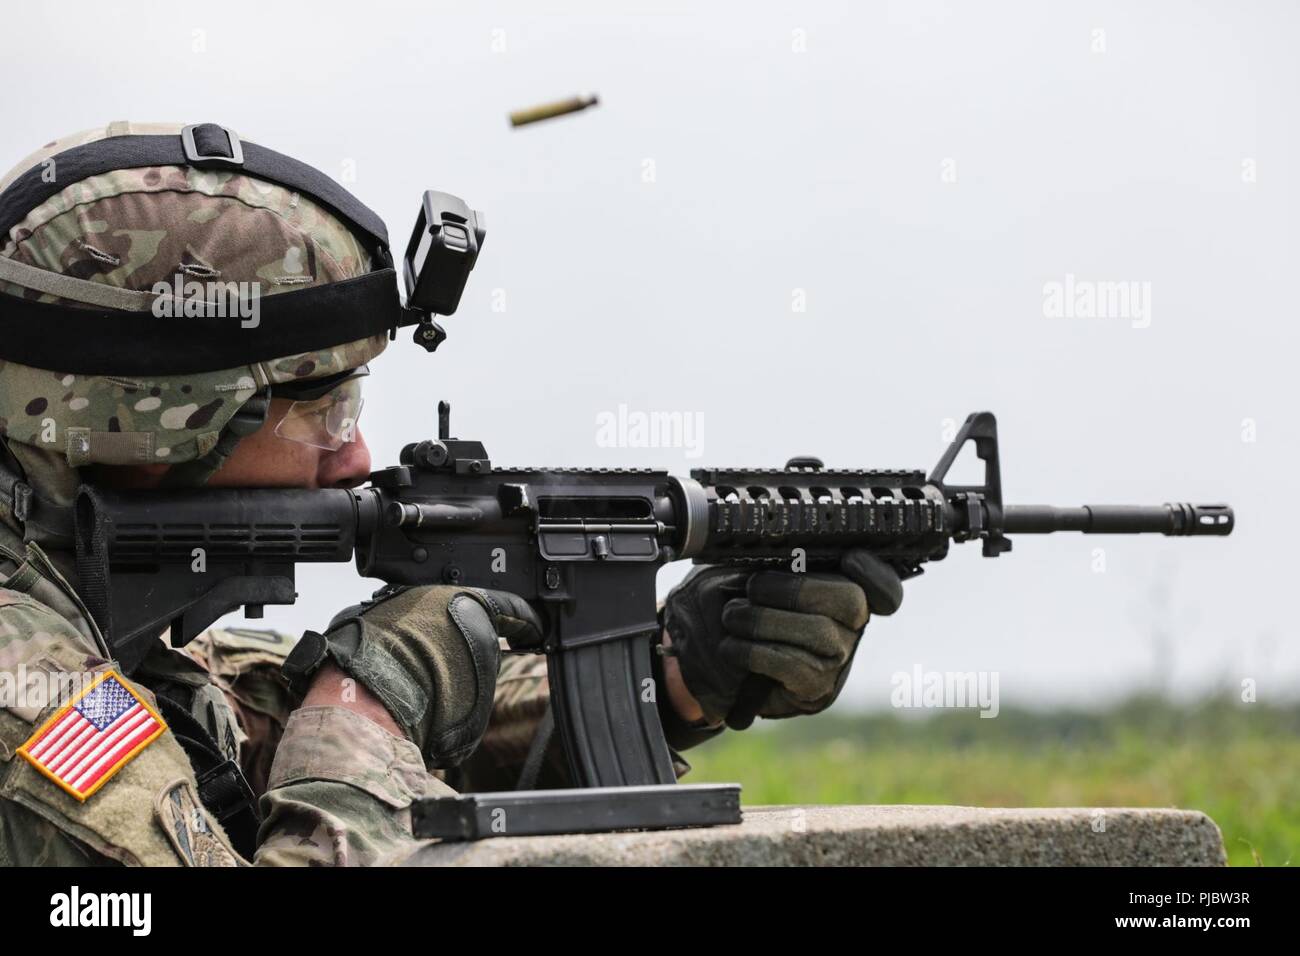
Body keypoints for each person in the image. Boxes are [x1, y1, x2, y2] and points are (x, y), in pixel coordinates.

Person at [0, 122, 902, 866]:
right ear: (160, 427)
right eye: (324, 410)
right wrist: (369, 704)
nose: (356, 459)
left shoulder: (80, 622)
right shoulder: (29, 703)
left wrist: (673, 679)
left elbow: (239, 736)